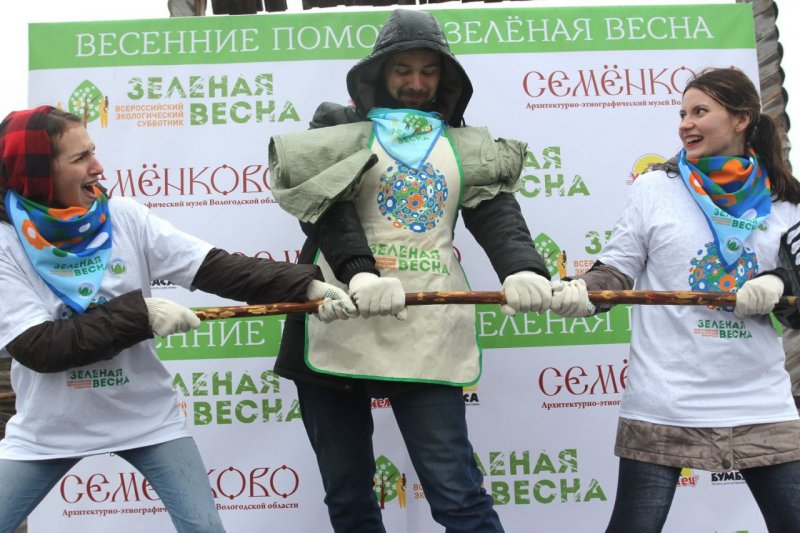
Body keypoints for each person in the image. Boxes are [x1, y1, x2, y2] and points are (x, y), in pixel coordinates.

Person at [0, 105, 355, 533]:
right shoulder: (6, 243)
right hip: (50, 428)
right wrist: (141, 313)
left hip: (146, 418)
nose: (98, 167)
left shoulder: (124, 217)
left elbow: (214, 267)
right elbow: (38, 346)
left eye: (93, 151)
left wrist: (306, 286)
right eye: (80, 158)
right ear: (39, 173)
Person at [268, 9, 551, 533]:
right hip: (337, 318)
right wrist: (360, 272)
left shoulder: (463, 144)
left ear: (446, 78)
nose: (416, 83)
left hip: (427, 325)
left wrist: (522, 268)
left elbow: (496, 212)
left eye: (429, 71)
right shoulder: (337, 127)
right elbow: (328, 207)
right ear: (379, 72)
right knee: (350, 500)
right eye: (403, 70)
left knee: (458, 495)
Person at [549, 67, 800, 532]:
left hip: (759, 399)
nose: (685, 124)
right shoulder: (655, 188)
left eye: (700, 112)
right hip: (664, 398)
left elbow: (798, 300)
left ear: (742, 119)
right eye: (682, 113)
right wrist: (583, 293)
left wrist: (782, 286)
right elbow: (617, 269)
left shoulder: (785, 201)